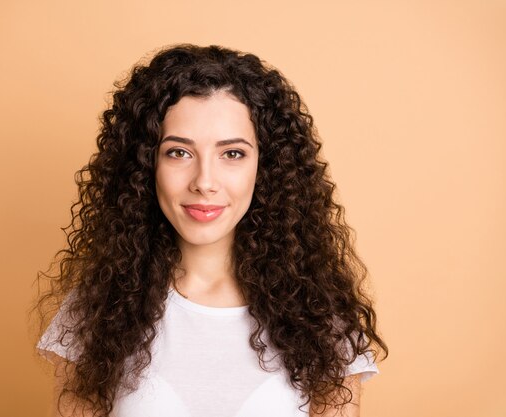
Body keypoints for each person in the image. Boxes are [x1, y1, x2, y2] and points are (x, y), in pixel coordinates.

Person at [34, 43, 388, 417]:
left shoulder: (321, 317)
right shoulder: (98, 309)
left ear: (264, 167)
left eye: (232, 153)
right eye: (179, 152)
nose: (205, 182)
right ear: (144, 165)